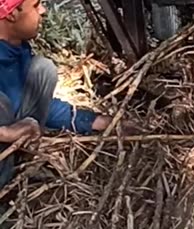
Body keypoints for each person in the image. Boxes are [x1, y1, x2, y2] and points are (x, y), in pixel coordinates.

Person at [0, 0, 131, 187]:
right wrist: (5, 133)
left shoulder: (16, 50)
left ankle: (19, 161)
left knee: (42, 70)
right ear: (12, 14)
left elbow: (33, 102)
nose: (43, 11)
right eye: (36, 5)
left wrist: (95, 122)